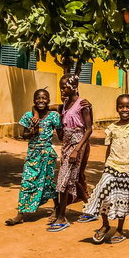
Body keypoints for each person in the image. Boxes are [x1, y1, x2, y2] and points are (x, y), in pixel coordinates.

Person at [79, 94, 129, 244]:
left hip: (127, 168)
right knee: (103, 195)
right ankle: (105, 224)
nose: (125, 109)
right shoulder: (111, 128)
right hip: (111, 167)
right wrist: (105, 165)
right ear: (117, 108)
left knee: (122, 199)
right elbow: (108, 149)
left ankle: (120, 229)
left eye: (128, 106)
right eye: (121, 106)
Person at [5, 89, 62, 226]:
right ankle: (20, 214)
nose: (41, 101)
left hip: (47, 155)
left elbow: (60, 134)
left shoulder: (53, 116)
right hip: (32, 154)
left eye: (44, 98)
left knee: (48, 183)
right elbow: (24, 136)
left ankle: (57, 208)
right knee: (26, 182)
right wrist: (32, 132)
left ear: (48, 101)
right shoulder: (28, 116)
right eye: (38, 98)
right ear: (34, 100)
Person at [49, 74, 93, 232]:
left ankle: (61, 217)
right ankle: (91, 207)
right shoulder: (66, 103)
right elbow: (54, 108)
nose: (62, 89)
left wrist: (77, 149)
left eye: (65, 86)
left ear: (74, 86)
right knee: (71, 180)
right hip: (66, 145)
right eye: (61, 86)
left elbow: (89, 129)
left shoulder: (83, 104)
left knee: (63, 181)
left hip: (76, 146)